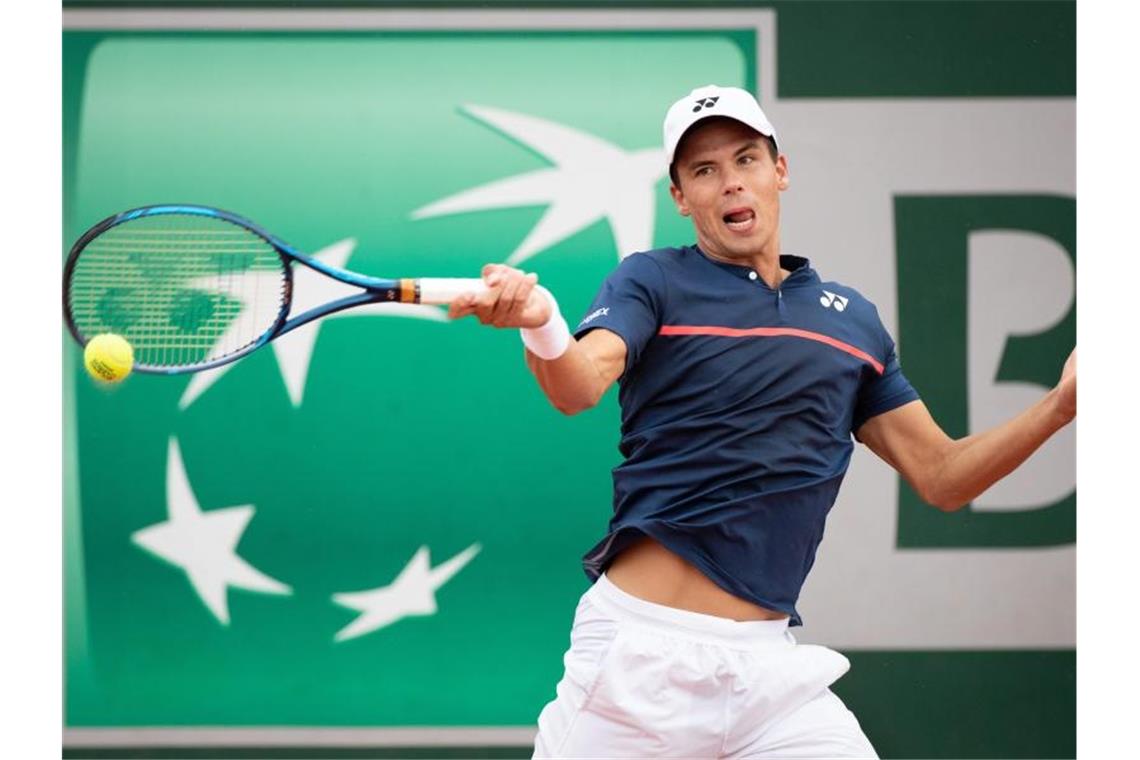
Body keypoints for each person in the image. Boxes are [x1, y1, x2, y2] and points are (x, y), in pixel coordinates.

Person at [448, 84, 1076, 759]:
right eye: (704, 171)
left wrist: (1062, 404)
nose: (730, 184)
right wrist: (541, 324)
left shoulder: (852, 322)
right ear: (681, 198)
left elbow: (944, 477)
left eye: (745, 159)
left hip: (769, 677)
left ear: (780, 169)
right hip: (636, 667)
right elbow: (578, 384)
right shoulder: (652, 281)